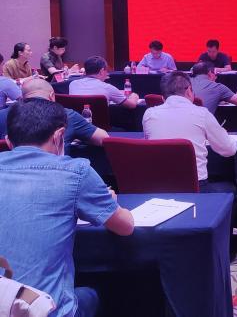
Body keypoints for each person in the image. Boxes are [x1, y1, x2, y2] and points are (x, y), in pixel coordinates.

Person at [0, 99, 134, 317]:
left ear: (8, 141)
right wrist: (111, 202)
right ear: (59, 136)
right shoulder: (75, 172)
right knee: (93, 295)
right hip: (42, 311)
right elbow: (125, 227)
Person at [143, 72, 237, 191]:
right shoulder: (202, 113)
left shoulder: (149, 114)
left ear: (163, 97)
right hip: (196, 187)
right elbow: (229, 150)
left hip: (159, 186)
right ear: (189, 91)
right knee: (231, 188)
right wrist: (224, 134)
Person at [0, 79, 109, 153]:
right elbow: (103, 139)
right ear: (52, 96)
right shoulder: (67, 115)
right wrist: (78, 134)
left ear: (22, 97)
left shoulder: (2, 114)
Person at [69, 56, 140, 109]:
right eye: (106, 71)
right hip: (100, 125)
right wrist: (134, 95)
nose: (107, 74)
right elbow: (131, 105)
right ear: (102, 71)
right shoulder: (107, 88)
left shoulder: (73, 84)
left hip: (75, 124)